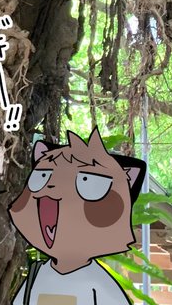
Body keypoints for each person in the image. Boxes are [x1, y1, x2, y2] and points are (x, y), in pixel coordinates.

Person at [8, 127, 147, 305]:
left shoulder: (98, 284)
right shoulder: (37, 276)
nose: (51, 187)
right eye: (42, 176)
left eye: (88, 182)